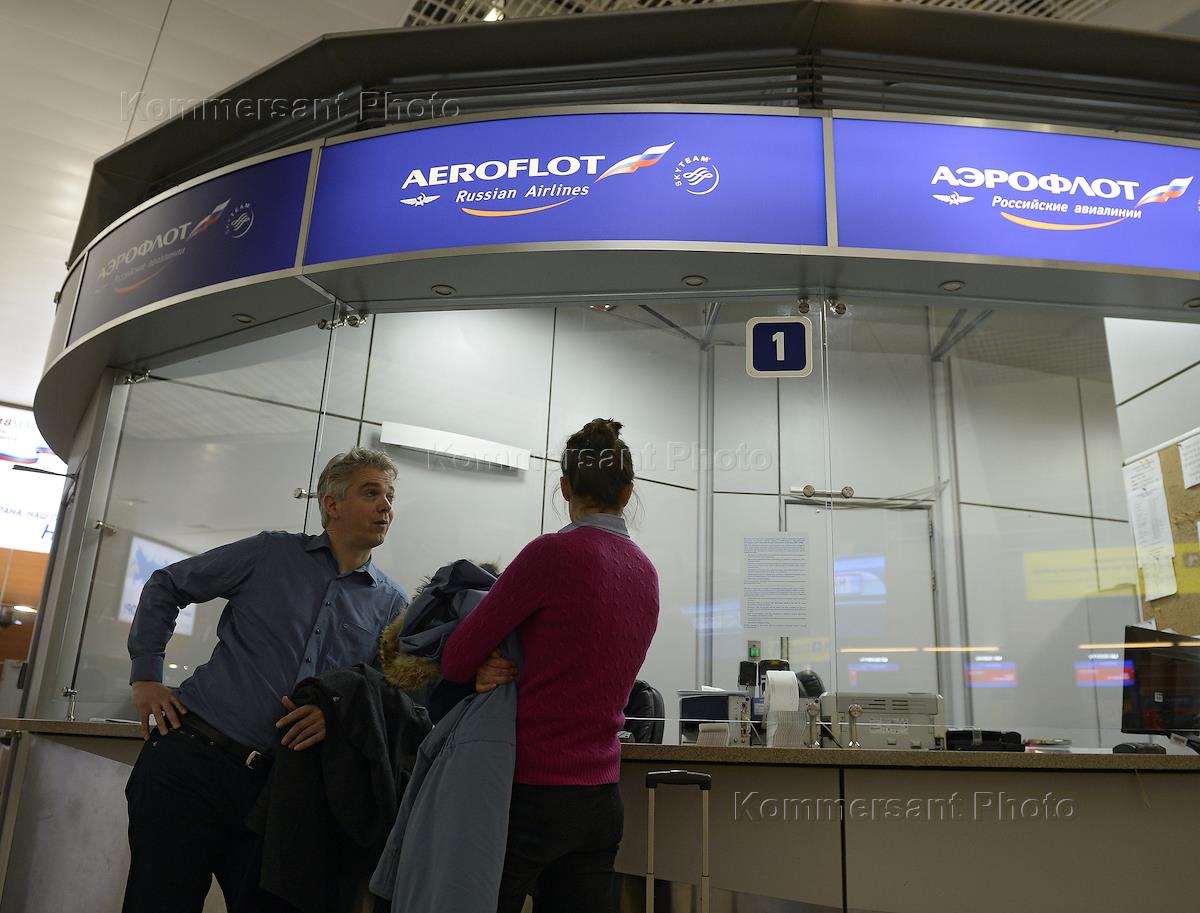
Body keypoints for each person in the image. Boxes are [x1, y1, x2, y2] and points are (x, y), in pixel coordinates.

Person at [122, 447, 408, 913]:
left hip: (281, 794)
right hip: (192, 763)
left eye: (390, 496)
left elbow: (384, 696)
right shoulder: (270, 552)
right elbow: (166, 585)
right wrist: (146, 676)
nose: (386, 506)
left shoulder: (392, 604)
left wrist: (337, 717)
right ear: (332, 504)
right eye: (371, 493)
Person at [440, 418, 661, 913]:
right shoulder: (646, 572)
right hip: (601, 799)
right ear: (628, 493)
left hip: (530, 792)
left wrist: (487, 663)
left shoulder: (551, 554)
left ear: (564, 487)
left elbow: (455, 659)